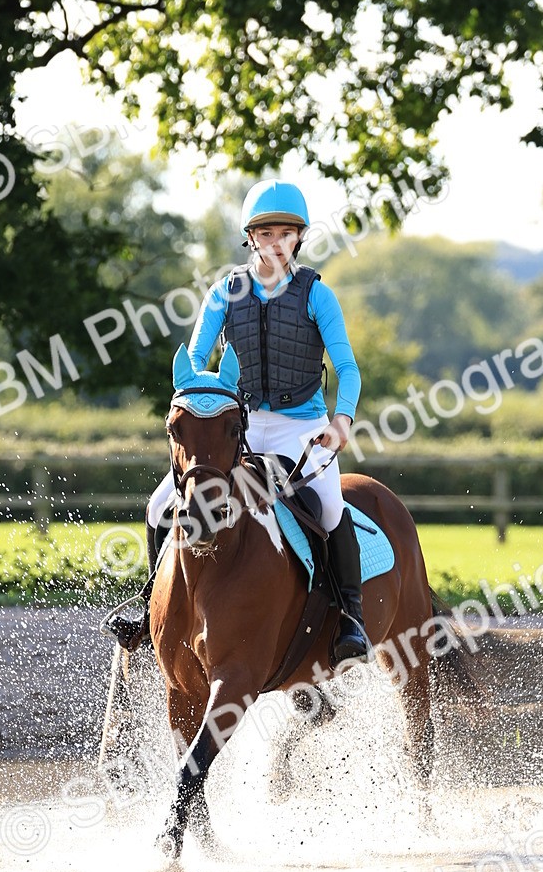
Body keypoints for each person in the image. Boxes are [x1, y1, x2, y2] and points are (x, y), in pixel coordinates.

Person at [114, 178, 368, 662]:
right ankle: (151, 608)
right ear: (250, 237)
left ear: (299, 238)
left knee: (331, 509)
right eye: (266, 233)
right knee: (157, 507)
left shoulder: (317, 296)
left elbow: (348, 368)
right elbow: (193, 362)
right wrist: (201, 409)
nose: (276, 243)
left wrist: (342, 420)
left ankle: (351, 620)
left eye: (286, 234)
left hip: (302, 427)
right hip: (240, 428)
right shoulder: (223, 293)